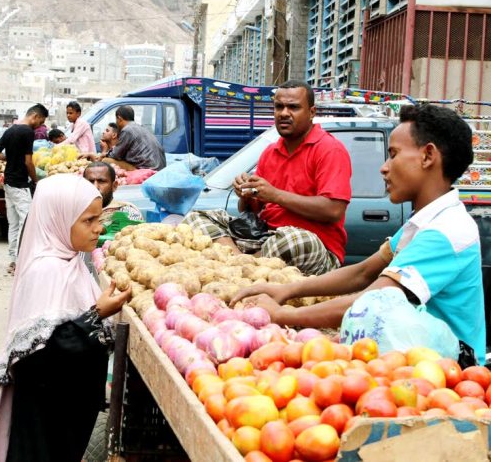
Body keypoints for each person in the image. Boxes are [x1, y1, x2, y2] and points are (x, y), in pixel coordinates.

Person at [232, 104, 485, 365]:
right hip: (417, 352)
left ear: (427, 156)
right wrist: (286, 290)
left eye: (393, 154)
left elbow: (372, 299)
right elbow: (363, 272)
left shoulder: (445, 231)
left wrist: (282, 314)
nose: (384, 168)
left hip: (454, 368)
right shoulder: (424, 222)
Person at [0, 174, 131, 462]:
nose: (98, 228)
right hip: (48, 409)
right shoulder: (47, 270)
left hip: (66, 408)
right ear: (58, 219)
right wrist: (97, 315)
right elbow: (39, 355)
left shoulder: (71, 262)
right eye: (88, 221)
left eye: (98, 219)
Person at [182, 80, 351, 276]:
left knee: (294, 240)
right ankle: (239, 264)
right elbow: (251, 210)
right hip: (264, 239)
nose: (284, 113)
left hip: (311, 248)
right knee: (196, 217)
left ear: (312, 113)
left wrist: (275, 195)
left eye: (293, 107)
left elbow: (333, 210)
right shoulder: (270, 152)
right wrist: (246, 194)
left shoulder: (329, 150)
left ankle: (238, 267)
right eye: (279, 107)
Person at [0, 104, 47, 274]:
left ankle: (13, 260)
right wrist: (37, 181)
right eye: (41, 121)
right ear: (35, 116)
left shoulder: (10, 130)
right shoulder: (27, 132)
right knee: (26, 222)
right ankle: (21, 261)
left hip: (8, 182)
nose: (39, 126)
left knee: (14, 223)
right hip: (20, 184)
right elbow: (28, 162)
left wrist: (10, 158)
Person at [84, 105, 166, 171]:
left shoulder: (127, 130)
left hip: (147, 169)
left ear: (119, 119)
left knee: (106, 161)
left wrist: (104, 153)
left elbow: (115, 155)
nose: (103, 132)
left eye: (107, 131)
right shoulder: (141, 128)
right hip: (158, 167)